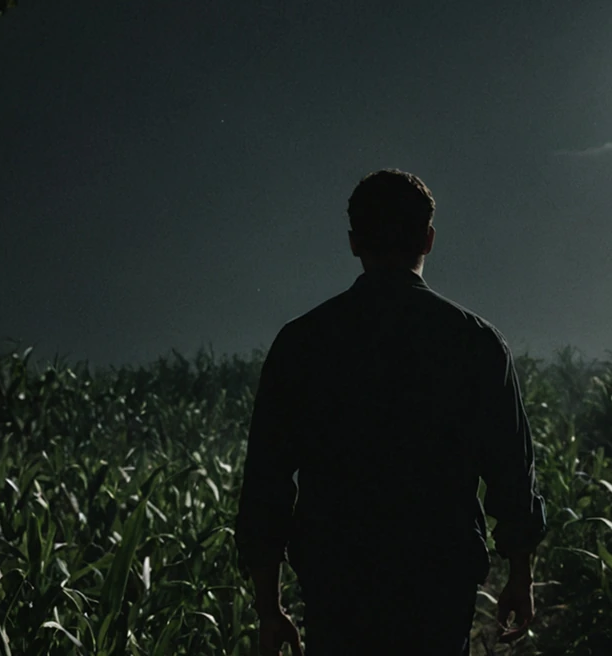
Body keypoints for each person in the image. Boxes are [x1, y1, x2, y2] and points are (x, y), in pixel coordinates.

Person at [235, 169, 548, 656]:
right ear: (428, 238)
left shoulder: (303, 343)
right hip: (439, 580)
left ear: (354, 242)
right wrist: (522, 576)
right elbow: (511, 469)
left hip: (339, 580)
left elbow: (266, 483)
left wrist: (269, 608)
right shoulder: (475, 342)